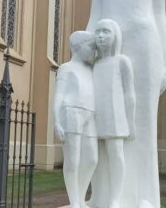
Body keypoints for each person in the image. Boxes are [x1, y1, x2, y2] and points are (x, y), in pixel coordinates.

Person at [86, 0, 166, 207]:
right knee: (105, 124)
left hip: (145, 42)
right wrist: (84, 51)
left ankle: (145, 195)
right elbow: (94, 13)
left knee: (143, 126)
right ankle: (105, 196)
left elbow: (159, 13)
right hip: (107, 41)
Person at [92, 19, 136, 208]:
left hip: (115, 116)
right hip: (94, 116)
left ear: (115, 35)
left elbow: (129, 93)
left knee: (116, 155)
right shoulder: (93, 62)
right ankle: (96, 195)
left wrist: (131, 122)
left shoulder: (122, 61)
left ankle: (115, 199)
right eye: (98, 32)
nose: (100, 36)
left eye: (105, 32)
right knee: (94, 158)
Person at [53, 31, 98, 208]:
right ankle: (74, 202)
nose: (93, 51)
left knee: (92, 159)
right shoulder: (66, 68)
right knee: (73, 160)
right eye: (91, 47)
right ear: (78, 47)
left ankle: (79, 198)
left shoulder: (90, 69)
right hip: (71, 113)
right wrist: (56, 120)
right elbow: (58, 95)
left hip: (89, 114)